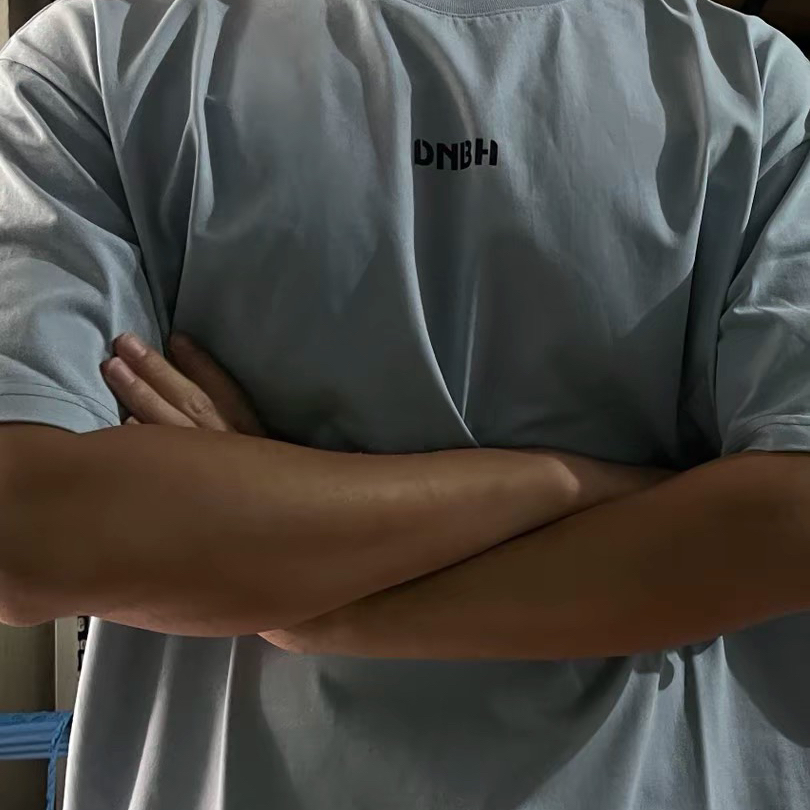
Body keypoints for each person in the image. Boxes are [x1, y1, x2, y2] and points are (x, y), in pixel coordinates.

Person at [1, 0, 809, 807]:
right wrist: (572, 485)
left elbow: (791, 523)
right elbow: (28, 530)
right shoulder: (745, 80)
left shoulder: (111, 52)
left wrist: (325, 609)